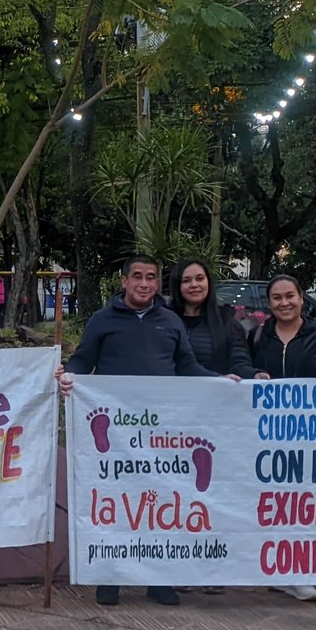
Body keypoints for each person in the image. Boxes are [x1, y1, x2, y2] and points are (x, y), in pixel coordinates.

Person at [57, 254, 216, 607]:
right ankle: (110, 577)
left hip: (163, 430)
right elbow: (84, 360)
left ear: (158, 283)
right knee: (115, 502)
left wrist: (222, 382)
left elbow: (186, 365)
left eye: (151, 278)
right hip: (116, 430)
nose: (144, 283)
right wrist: (69, 375)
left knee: (162, 502)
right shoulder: (102, 320)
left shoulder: (171, 321)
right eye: (137, 277)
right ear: (124, 281)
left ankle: (159, 579)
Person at [241, 274, 316, 603]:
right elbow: (245, 378)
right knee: (276, 504)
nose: (284, 303)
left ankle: (302, 571)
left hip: (312, 437)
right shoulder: (257, 337)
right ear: (268, 304)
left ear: (301, 298)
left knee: (305, 504)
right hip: (267, 438)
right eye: (277, 298)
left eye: (290, 296)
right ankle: (282, 572)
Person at [171, 257, 254, 378]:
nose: (194, 285)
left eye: (200, 278)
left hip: (215, 394)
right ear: (177, 285)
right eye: (186, 280)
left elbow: (238, 362)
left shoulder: (227, 321)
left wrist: (254, 374)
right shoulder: (165, 320)